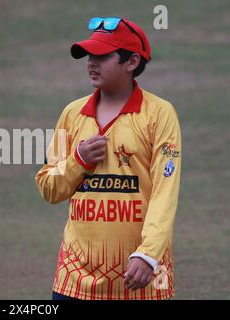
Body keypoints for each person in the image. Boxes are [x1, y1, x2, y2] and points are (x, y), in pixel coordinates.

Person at [35, 17, 182, 300]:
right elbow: (48, 188)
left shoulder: (160, 114)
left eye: (102, 56)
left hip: (144, 275)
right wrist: (78, 160)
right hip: (74, 280)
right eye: (90, 55)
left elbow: (166, 192)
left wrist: (148, 254)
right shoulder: (72, 114)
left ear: (132, 62)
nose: (92, 62)